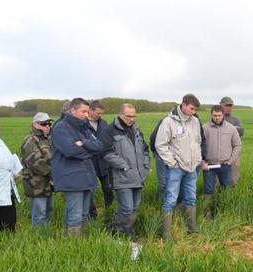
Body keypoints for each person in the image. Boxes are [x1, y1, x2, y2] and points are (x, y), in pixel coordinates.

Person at [155, 94, 204, 239]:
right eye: (191, 108)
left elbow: (198, 142)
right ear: (183, 105)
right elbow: (160, 145)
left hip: (192, 168)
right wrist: (172, 163)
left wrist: (198, 160)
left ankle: (192, 228)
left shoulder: (195, 121)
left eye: (195, 110)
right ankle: (166, 232)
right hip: (176, 169)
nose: (194, 112)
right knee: (170, 199)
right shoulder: (168, 122)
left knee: (191, 198)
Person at [51, 98, 103, 235]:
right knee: (75, 216)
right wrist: (89, 152)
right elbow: (70, 151)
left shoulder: (84, 127)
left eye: (87, 111)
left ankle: (82, 246)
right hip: (72, 178)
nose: (86, 115)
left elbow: (99, 146)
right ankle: (72, 245)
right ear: (72, 110)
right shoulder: (61, 127)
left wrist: (83, 142)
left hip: (87, 177)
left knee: (84, 215)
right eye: (83, 111)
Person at [101, 104, 150, 237]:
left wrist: (146, 165)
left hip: (138, 177)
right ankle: (113, 231)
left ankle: (127, 232)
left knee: (134, 208)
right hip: (122, 177)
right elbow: (106, 153)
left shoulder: (137, 130)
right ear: (121, 114)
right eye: (129, 116)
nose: (132, 119)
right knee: (127, 209)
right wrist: (124, 165)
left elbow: (145, 150)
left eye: (134, 116)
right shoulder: (110, 130)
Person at [202, 105, 242, 216]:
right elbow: (197, 146)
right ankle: (207, 214)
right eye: (215, 115)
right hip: (209, 166)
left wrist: (230, 161)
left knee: (227, 189)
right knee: (208, 190)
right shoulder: (204, 128)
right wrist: (202, 162)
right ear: (211, 115)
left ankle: (225, 212)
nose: (217, 118)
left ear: (223, 115)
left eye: (219, 115)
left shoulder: (231, 128)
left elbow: (238, 145)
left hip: (225, 165)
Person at [21, 112, 54, 227]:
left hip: (47, 183)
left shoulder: (47, 139)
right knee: (40, 213)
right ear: (35, 125)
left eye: (49, 124)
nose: (48, 126)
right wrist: (53, 174)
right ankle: (39, 238)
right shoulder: (30, 140)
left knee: (48, 210)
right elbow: (35, 163)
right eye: (44, 124)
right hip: (36, 184)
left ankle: (47, 235)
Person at [85, 100, 113, 218]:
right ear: (90, 110)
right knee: (89, 191)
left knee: (108, 188)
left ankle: (109, 211)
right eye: (98, 113)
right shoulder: (82, 124)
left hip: (103, 162)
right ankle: (92, 215)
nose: (100, 116)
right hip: (89, 163)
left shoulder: (104, 124)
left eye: (101, 113)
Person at [219, 96, 244, 186]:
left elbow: (241, 131)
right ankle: (218, 195)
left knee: (234, 177)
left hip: (233, 153)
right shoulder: (217, 118)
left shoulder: (235, 119)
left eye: (230, 105)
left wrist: (228, 129)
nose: (229, 108)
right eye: (226, 105)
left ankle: (231, 195)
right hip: (218, 153)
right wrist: (233, 129)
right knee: (217, 179)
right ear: (221, 105)